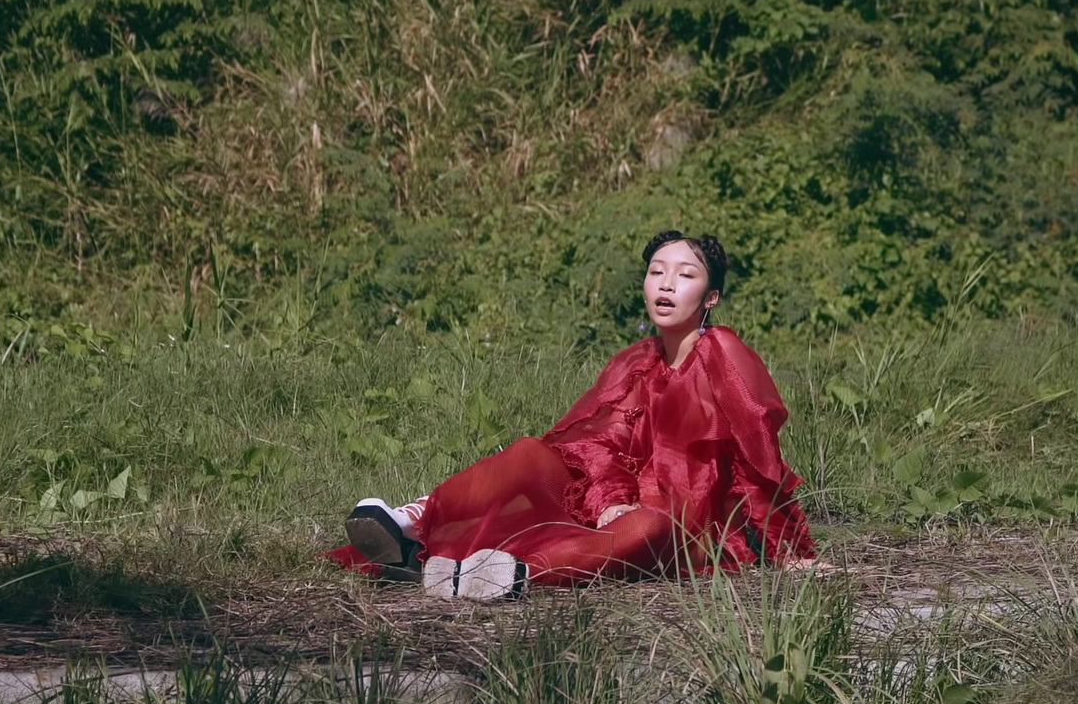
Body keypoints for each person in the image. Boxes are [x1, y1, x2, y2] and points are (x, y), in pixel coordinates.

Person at [327, 230, 819, 599]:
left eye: (685, 275)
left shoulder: (723, 353)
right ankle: (413, 523)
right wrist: (609, 499)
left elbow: (762, 459)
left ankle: (504, 570)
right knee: (529, 453)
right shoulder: (637, 360)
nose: (666, 284)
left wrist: (790, 548)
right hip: (611, 507)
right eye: (656, 271)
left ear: (710, 298)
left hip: (683, 529)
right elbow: (594, 444)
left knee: (645, 528)